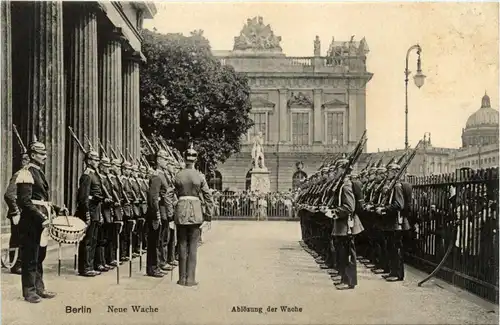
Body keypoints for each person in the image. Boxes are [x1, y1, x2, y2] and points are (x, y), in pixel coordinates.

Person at [16, 140, 68, 303]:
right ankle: (29, 291)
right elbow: (25, 201)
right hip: (31, 221)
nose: (45, 157)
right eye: (41, 154)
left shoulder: (38, 172)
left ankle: (39, 288)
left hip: (40, 221)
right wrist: (42, 218)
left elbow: (41, 199)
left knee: (39, 256)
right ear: (32, 155)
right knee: (30, 256)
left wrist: (58, 209)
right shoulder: (26, 173)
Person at [174, 146, 214, 286]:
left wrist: (173, 208)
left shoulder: (178, 175)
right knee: (193, 247)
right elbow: (208, 196)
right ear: (195, 159)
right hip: (196, 213)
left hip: (180, 212)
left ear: (184, 159)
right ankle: (190, 279)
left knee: (182, 245)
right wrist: (209, 215)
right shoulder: (200, 176)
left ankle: (181, 278)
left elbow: (168, 194)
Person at [331, 158, 364, 290]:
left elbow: (349, 207)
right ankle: (345, 278)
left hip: (347, 225)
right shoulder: (342, 185)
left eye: (337, 169)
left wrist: (335, 211)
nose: (335, 172)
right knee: (342, 253)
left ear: (344, 170)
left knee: (348, 254)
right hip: (342, 225)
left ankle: (349, 281)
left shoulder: (346, 186)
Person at [146, 150, 174, 278]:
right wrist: (156, 214)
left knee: (158, 240)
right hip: (157, 212)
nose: (166, 162)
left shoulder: (162, 175)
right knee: (154, 242)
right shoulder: (157, 176)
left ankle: (156, 265)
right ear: (158, 160)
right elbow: (153, 197)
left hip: (162, 211)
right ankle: (153, 268)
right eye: (164, 159)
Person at [77, 150, 103, 277]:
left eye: (98, 160)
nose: (97, 162)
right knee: (87, 241)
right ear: (88, 161)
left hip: (96, 211)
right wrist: (86, 213)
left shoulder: (94, 174)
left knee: (93, 240)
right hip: (90, 211)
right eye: (94, 159)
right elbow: (83, 197)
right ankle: (85, 268)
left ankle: (90, 265)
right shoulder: (87, 175)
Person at [4, 153, 30, 274]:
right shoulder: (19, 174)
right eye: (27, 160)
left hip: (24, 213)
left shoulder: (27, 175)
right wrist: (16, 212)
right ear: (24, 161)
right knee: (17, 238)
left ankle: (19, 263)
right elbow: (9, 195)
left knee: (22, 238)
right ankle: (15, 265)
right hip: (17, 212)